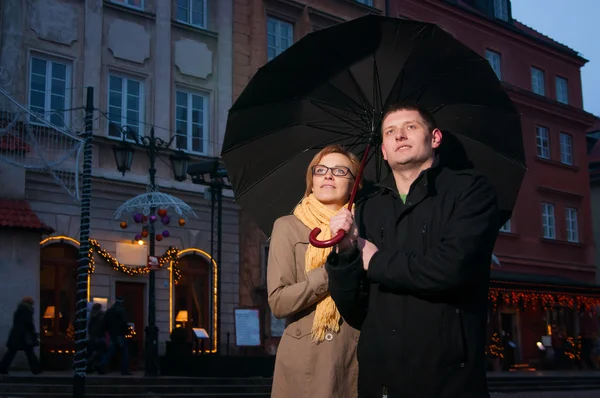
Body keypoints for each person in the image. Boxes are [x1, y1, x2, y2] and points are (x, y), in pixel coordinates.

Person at [326, 102, 501, 398]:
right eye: (390, 131)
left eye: (411, 127)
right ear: (382, 150)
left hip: (447, 379)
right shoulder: (367, 207)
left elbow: (451, 268)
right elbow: (356, 311)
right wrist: (345, 255)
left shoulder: (470, 191)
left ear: (434, 138)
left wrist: (376, 260)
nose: (400, 136)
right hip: (381, 380)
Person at [267, 144, 362, 398]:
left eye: (340, 170)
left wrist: (353, 245)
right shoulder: (288, 227)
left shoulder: (365, 228)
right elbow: (278, 302)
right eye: (320, 170)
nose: (328, 175)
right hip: (305, 359)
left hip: (355, 356)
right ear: (312, 181)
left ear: (354, 185)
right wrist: (332, 270)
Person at [0, 296, 42, 375]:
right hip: (24, 336)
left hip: (16, 335)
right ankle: (36, 369)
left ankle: (3, 368)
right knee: (30, 353)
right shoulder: (27, 310)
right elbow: (29, 323)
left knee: (11, 353)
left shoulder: (19, 309)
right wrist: (33, 334)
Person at [97, 297, 131, 375]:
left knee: (110, 351)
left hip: (111, 334)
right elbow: (124, 323)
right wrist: (127, 331)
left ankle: (101, 364)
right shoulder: (122, 310)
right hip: (120, 334)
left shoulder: (109, 311)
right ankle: (124, 370)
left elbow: (104, 323)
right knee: (124, 351)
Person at [87, 303, 106, 372]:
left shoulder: (91, 315)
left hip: (92, 337)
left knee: (92, 352)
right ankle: (99, 366)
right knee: (101, 351)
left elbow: (89, 327)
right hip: (100, 336)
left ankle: (91, 365)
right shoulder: (101, 316)